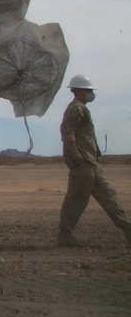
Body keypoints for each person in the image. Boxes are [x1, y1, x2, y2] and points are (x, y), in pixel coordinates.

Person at [57, 74, 131, 248]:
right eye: (88, 90)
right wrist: (75, 155)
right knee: (77, 199)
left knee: (108, 195)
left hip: (90, 163)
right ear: (78, 91)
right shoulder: (76, 108)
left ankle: (128, 229)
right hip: (82, 162)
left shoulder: (82, 108)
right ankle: (65, 236)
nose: (91, 93)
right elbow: (67, 132)